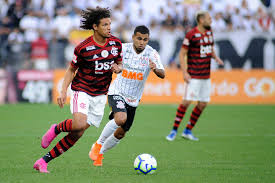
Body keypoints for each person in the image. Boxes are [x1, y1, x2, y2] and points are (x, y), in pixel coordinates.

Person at [33, 7, 123, 173]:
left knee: (77, 133)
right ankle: (56, 129)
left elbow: (119, 63)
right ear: (95, 27)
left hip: (100, 94)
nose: (109, 27)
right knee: (79, 124)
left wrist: (118, 68)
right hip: (82, 89)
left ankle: (43, 161)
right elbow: (71, 70)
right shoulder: (83, 47)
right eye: (105, 25)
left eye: (110, 24)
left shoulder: (116, 44)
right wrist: (62, 91)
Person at [89, 25, 165, 166]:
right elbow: (108, 61)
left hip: (134, 99)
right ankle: (98, 144)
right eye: (139, 38)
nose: (142, 42)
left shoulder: (151, 53)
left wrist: (155, 69)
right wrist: (116, 67)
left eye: (145, 39)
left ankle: (100, 154)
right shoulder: (123, 48)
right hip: (117, 91)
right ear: (133, 37)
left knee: (120, 133)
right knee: (120, 118)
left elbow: (163, 73)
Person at [166, 11, 224, 141]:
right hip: (194, 75)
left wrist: (216, 57)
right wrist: (184, 72)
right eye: (209, 18)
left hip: (206, 76)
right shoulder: (191, 35)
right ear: (201, 20)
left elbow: (210, 48)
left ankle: (188, 130)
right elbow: (182, 54)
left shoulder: (209, 32)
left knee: (202, 104)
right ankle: (174, 130)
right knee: (186, 102)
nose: (211, 20)